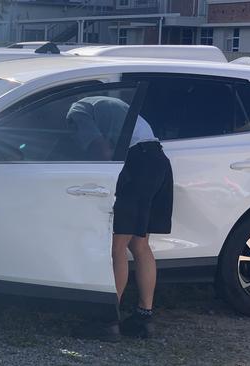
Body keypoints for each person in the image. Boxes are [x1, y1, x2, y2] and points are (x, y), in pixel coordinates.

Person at [67, 96, 173, 341]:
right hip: (158, 161)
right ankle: (143, 317)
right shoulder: (112, 102)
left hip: (136, 163)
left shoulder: (78, 109)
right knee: (140, 244)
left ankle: (107, 321)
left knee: (117, 247)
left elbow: (101, 148)